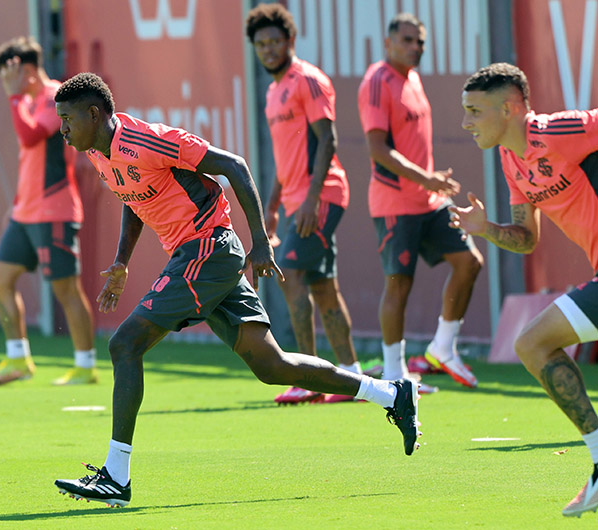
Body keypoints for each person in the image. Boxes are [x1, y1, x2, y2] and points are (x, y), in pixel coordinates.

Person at [51, 72, 421, 507]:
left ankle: (116, 476)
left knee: (124, 345)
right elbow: (133, 199)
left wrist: (261, 243)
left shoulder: (149, 139)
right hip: (198, 256)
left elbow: (235, 166)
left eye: (67, 119)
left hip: (207, 249)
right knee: (272, 366)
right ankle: (392, 393)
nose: (63, 129)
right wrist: (121, 262)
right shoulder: (98, 153)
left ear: (94, 114)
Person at [455, 62, 598, 517]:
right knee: (533, 344)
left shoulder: (559, 130)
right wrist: (486, 229)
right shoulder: (509, 158)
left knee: (533, 343)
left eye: (475, 111)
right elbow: (526, 238)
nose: (466, 122)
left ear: (509, 109)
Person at [356, 13, 483, 390]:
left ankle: (443, 347)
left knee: (469, 262)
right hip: (395, 203)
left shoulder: (412, 78)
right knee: (398, 284)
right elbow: (378, 149)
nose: (415, 47)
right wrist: (426, 178)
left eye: (420, 41)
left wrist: (430, 182)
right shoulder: (377, 81)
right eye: (408, 40)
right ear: (388, 43)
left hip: (429, 200)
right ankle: (395, 375)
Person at [246, 4, 362, 405]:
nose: (268, 49)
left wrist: (312, 200)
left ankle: (308, 377)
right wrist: (273, 206)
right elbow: (286, 157)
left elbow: (327, 139)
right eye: (261, 44)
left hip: (322, 196)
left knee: (291, 275)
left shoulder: (308, 80)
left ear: (290, 40)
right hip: (297, 202)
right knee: (323, 288)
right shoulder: (272, 91)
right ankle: (353, 376)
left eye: (274, 41)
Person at [0, 37, 96, 386]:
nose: (6, 82)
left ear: (27, 70)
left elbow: (31, 137)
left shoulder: (55, 97)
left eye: (9, 74)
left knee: (66, 290)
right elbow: (30, 159)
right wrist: (17, 203)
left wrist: (13, 97)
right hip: (25, 213)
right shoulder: (29, 101)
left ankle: (86, 365)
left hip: (54, 210)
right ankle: (18, 360)